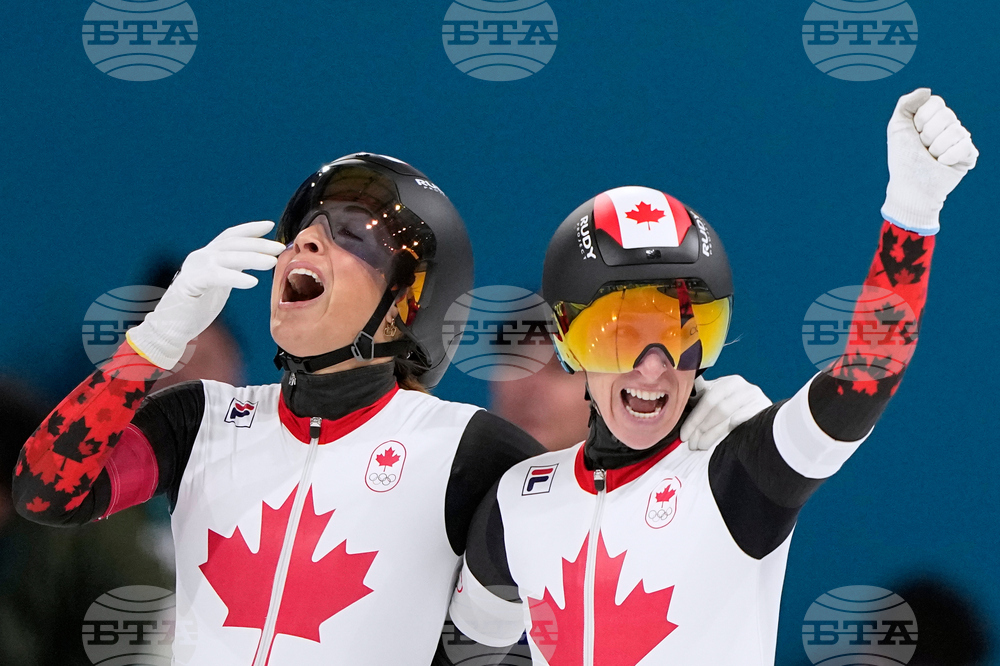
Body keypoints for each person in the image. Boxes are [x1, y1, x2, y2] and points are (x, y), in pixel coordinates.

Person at [11, 153, 767, 666]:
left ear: (407, 303)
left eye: (350, 238)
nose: (306, 241)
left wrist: (690, 464)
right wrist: (149, 346)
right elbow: (47, 492)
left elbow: (600, 580)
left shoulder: (467, 451)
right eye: (306, 229)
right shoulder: (201, 418)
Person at [448, 89, 979, 665]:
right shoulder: (517, 500)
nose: (654, 365)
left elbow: (864, 379)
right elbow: (459, 649)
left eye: (682, 332)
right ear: (570, 341)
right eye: (621, 333)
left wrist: (912, 215)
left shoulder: (739, 480)